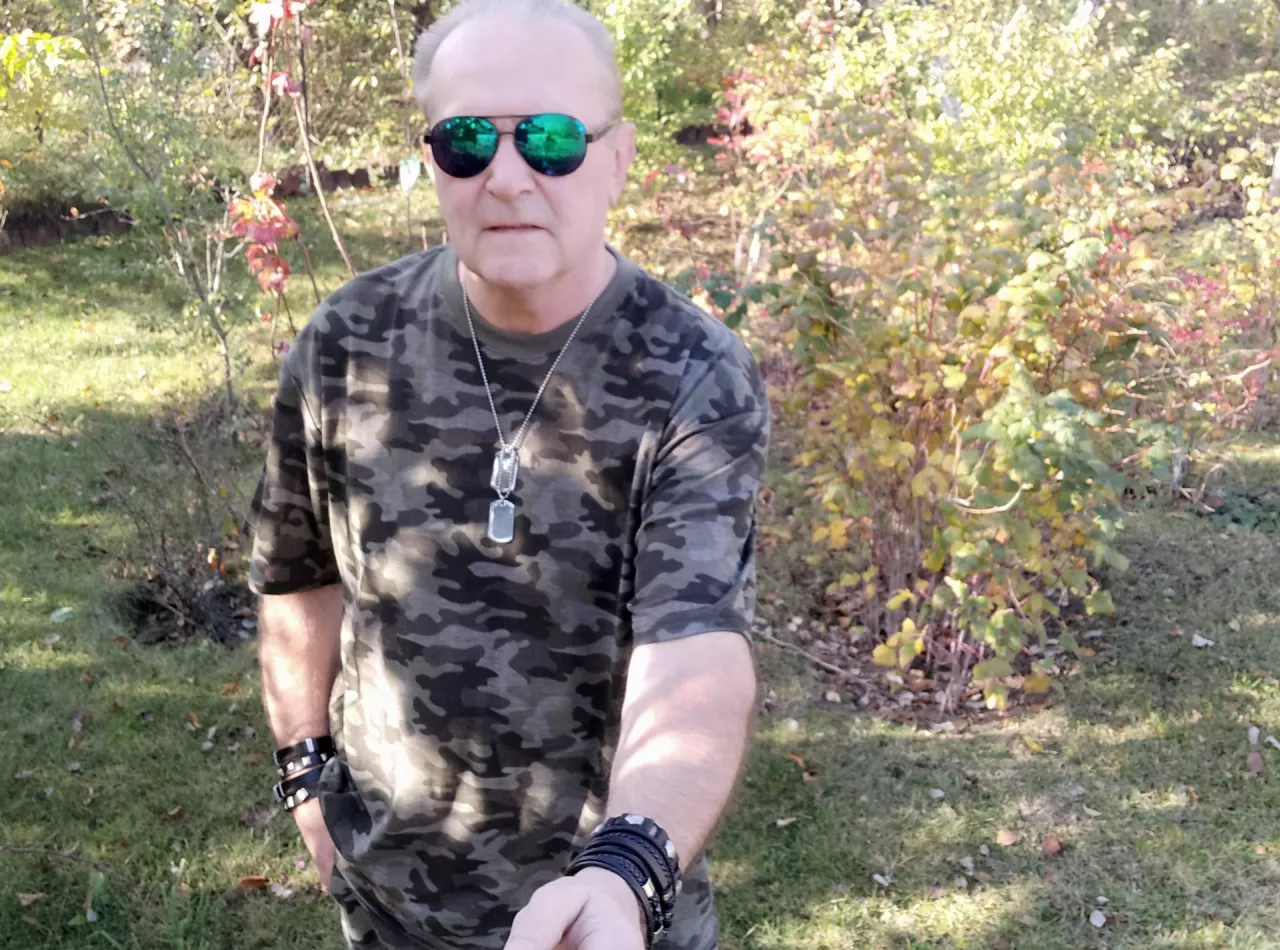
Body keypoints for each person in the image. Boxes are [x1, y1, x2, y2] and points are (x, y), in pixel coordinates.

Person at [247, 1, 769, 947]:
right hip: (388, 907)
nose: (509, 176)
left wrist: (624, 875)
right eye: (467, 141)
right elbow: (296, 576)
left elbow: (695, 649)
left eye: (553, 139)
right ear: (432, 160)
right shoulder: (347, 343)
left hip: (606, 915)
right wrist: (304, 779)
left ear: (617, 158)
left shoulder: (693, 373)